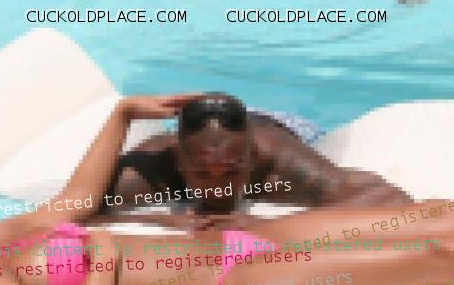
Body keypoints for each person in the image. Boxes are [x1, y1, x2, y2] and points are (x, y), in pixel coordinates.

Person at [0, 96, 454, 285]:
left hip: (234, 238)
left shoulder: (4, 236)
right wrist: (101, 259)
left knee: (433, 216)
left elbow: (78, 199)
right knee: (438, 255)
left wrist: (122, 115)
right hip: (236, 275)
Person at [104, 93, 411, 227]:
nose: (218, 189)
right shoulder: (158, 167)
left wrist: (273, 223)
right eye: (203, 174)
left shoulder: (281, 168)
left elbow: (393, 200)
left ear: (252, 161)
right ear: (179, 163)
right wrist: (157, 220)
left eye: (231, 173)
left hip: (283, 126)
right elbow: (79, 207)